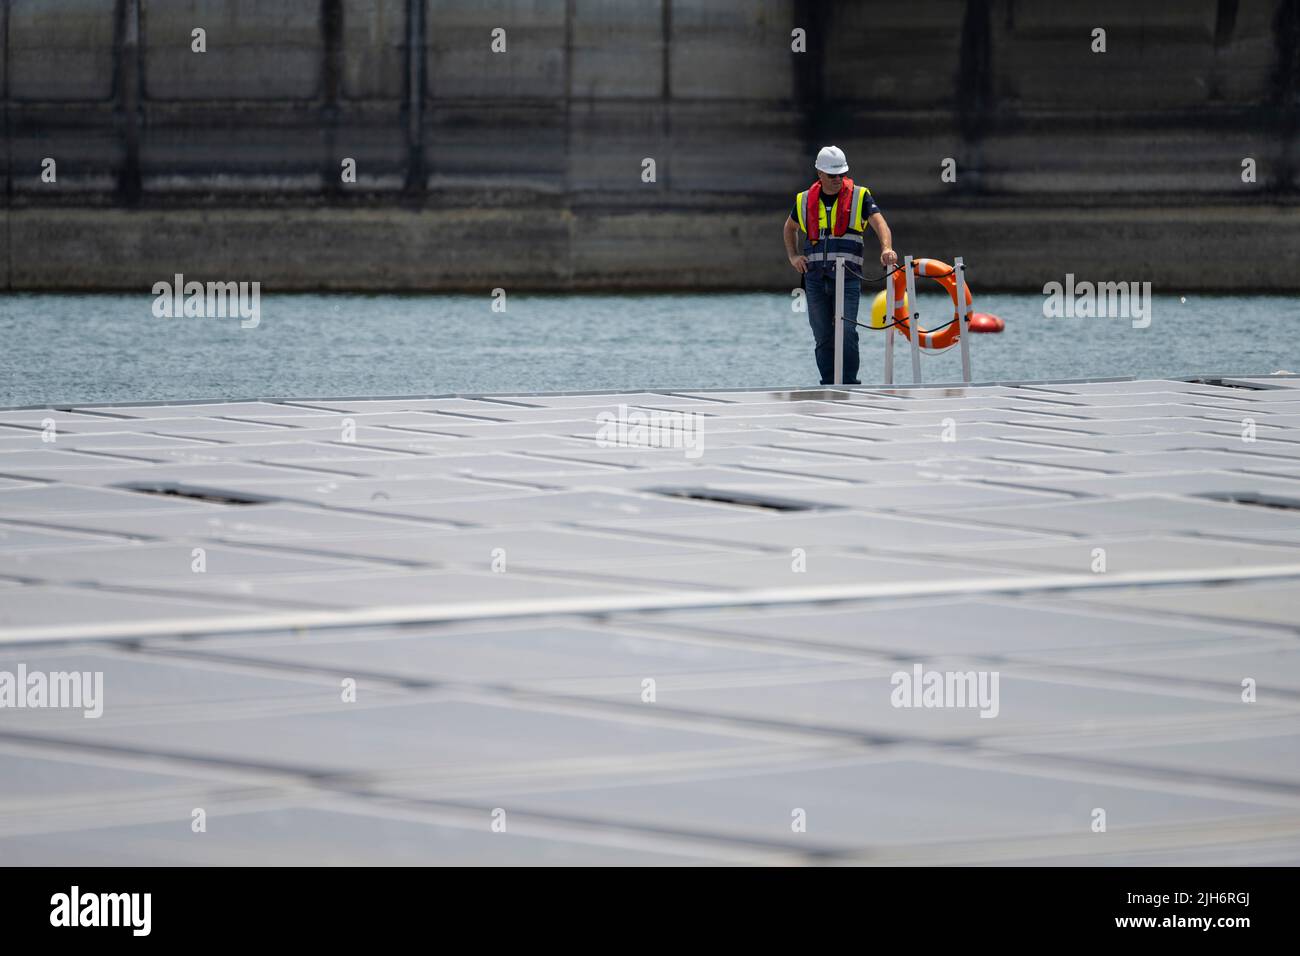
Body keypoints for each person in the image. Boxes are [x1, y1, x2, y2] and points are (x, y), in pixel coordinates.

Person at [783, 145, 897, 385]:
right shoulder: (803, 200)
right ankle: (828, 384)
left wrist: (886, 247)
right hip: (814, 279)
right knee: (823, 335)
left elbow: (880, 224)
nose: (837, 179)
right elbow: (789, 228)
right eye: (832, 175)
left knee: (846, 333)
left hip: (848, 278)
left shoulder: (860, 195)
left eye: (841, 175)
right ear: (820, 174)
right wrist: (793, 256)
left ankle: (848, 383)